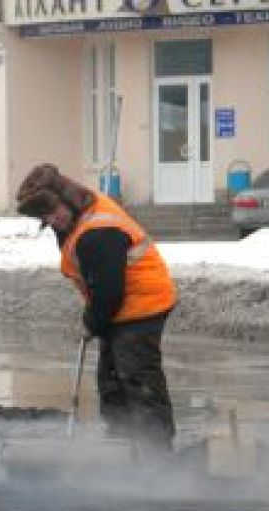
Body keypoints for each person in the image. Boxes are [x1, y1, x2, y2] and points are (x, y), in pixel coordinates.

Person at [15, 163, 178, 451]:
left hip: (141, 304)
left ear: (66, 199)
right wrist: (96, 320)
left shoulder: (98, 231)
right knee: (111, 379)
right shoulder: (79, 210)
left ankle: (157, 455)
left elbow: (109, 293)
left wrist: (92, 322)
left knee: (137, 377)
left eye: (54, 213)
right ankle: (121, 446)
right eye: (45, 217)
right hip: (121, 304)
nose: (52, 221)